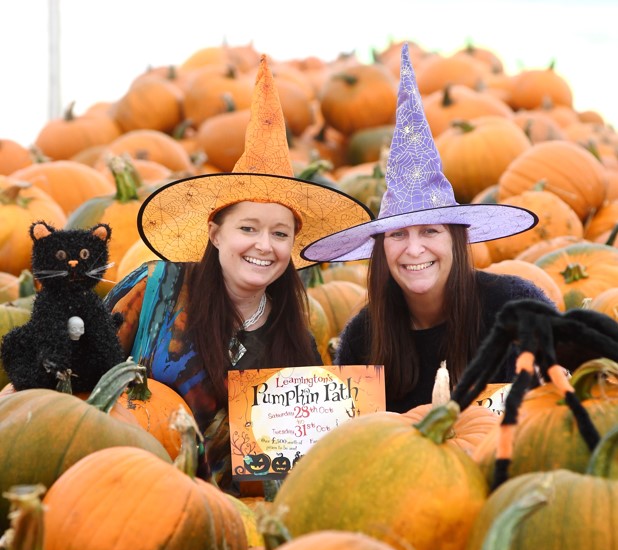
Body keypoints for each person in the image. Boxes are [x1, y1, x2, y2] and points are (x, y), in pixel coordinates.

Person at [104, 55, 373, 491]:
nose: (264, 246)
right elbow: (81, 384)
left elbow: (302, 462)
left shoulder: (295, 337)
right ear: (215, 234)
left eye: (280, 234)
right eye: (248, 229)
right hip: (124, 486)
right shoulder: (156, 289)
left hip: (235, 514)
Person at [300, 42, 558, 413]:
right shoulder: (363, 337)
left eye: (430, 231)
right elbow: (357, 439)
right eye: (398, 234)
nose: (414, 249)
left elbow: (552, 417)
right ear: (382, 248)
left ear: (456, 238)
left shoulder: (516, 307)